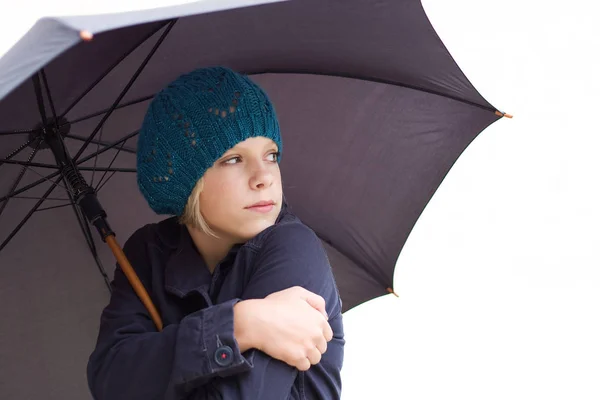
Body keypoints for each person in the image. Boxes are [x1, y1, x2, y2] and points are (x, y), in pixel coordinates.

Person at [86, 66, 344, 399]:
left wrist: (163, 363)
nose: (263, 177)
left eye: (271, 155)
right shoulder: (149, 252)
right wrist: (239, 324)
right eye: (234, 159)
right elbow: (111, 379)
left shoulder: (293, 247)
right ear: (186, 180)